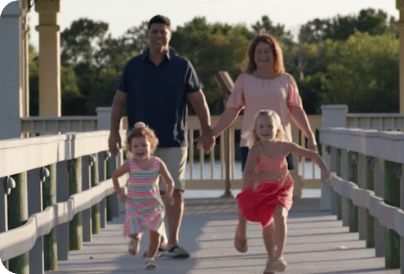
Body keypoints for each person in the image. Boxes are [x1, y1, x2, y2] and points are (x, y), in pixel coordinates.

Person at [198, 33, 317, 253]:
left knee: (276, 198)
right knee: (249, 191)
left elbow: (296, 110)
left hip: (280, 145)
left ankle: (274, 253)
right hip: (251, 143)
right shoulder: (244, 80)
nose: (262, 55)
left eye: (267, 51)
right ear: (253, 55)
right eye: (258, 52)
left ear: (275, 54)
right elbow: (231, 111)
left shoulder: (286, 80)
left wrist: (310, 135)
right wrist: (212, 133)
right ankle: (241, 229)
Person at [109, 15, 215, 259]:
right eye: (154, 31)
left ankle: (173, 241)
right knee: (142, 190)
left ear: (169, 35)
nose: (158, 36)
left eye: (163, 32)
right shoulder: (133, 66)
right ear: (148, 35)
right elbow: (118, 102)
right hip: (140, 143)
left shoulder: (182, 65)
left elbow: (198, 99)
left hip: (174, 138)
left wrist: (206, 129)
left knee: (174, 189)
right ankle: (155, 238)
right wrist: (113, 133)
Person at [236, 110, 330, 273]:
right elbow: (247, 176)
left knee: (279, 214)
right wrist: (270, 176)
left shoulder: (283, 146)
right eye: (261, 126)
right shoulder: (255, 150)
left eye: (270, 126)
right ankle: (270, 258)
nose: (265, 129)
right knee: (267, 225)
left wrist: (323, 168)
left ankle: (277, 257)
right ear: (256, 130)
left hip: (282, 188)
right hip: (264, 190)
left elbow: (309, 154)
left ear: (278, 129)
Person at [112, 122, 174, 270]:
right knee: (134, 231)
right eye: (135, 146)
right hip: (134, 203)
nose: (140, 149)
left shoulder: (157, 163)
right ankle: (136, 239)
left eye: (144, 145)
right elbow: (115, 176)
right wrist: (120, 192)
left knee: (155, 233)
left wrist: (169, 194)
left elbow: (169, 181)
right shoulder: (130, 164)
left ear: (151, 146)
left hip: (154, 204)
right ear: (130, 149)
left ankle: (150, 258)